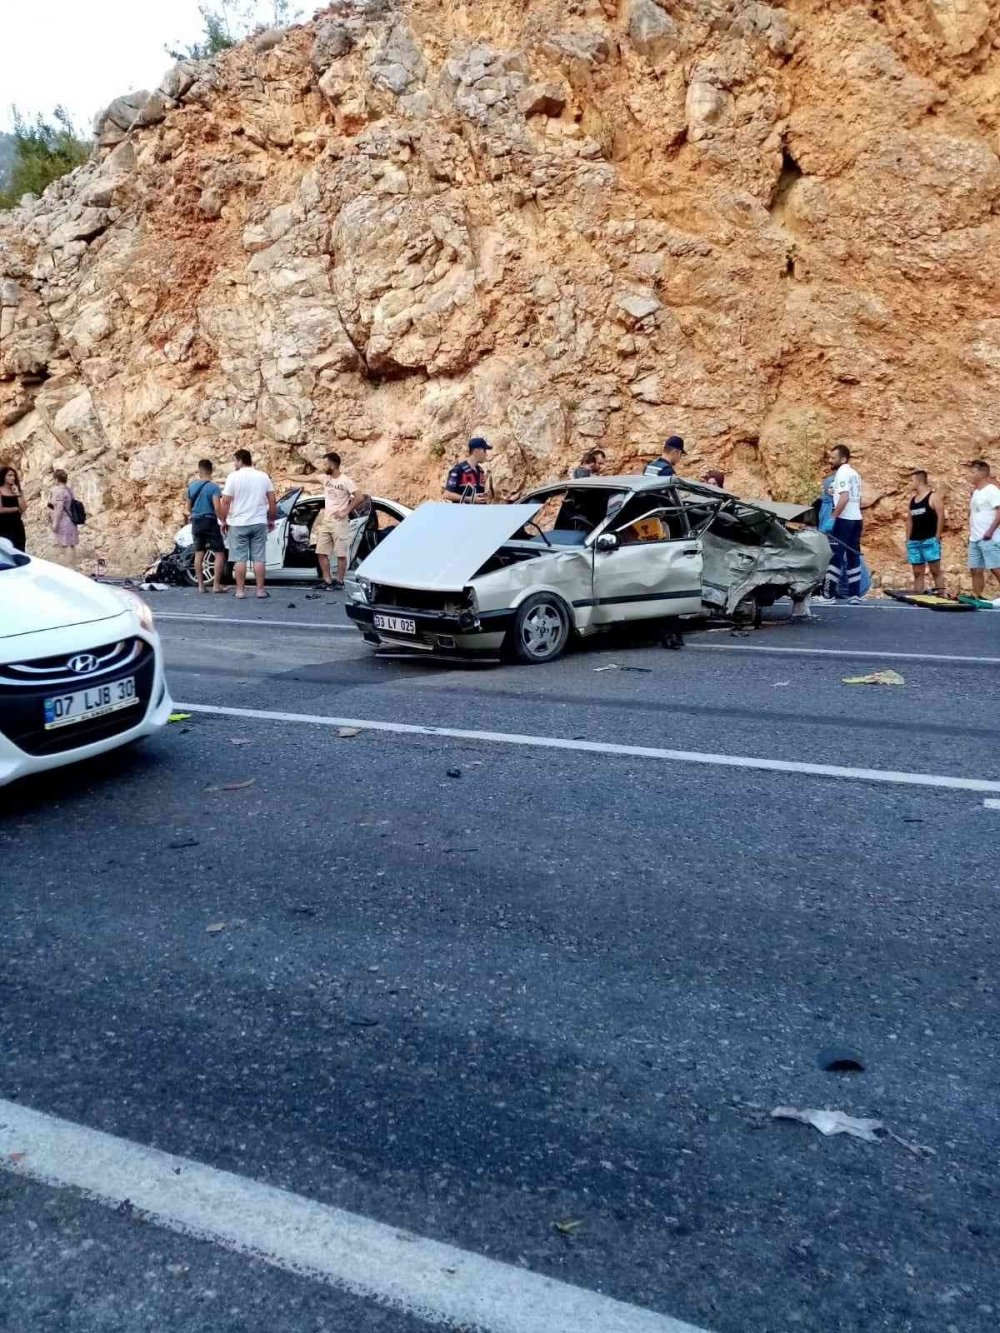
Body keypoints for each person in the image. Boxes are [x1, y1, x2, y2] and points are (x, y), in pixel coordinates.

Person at [219, 449, 276, 600]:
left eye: (234, 461)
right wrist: (271, 519)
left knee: (240, 558)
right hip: (258, 522)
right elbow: (272, 499)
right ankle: (260, 590)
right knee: (259, 558)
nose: (234, 464)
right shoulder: (263, 476)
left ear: (240, 460)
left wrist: (223, 520)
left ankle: (240, 591)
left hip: (238, 523)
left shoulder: (233, 477)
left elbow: (225, 501)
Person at [315, 451, 366, 590]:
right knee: (321, 552)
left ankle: (340, 581)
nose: (322, 466)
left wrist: (346, 511)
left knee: (341, 554)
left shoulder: (345, 481)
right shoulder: (325, 478)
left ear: (331, 465)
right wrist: (286, 476)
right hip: (327, 521)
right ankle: (327, 581)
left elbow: (359, 497)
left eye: (325, 463)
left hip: (339, 522)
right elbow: (306, 478)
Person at [821, 444, 864, 602]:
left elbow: (844, 497)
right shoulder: (855, 474)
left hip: (844, 519)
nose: (830, 461)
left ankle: (828, 595)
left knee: (834, 556)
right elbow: (859, 499)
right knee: (853, 556)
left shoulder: (842, 473)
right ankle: (855, 595)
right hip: (857, 519)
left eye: (833, 458)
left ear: (843, 458)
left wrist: (833, 517)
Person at [186, 459, 226, 593]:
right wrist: (223, 520)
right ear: (211, 470)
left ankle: (201, 586)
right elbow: (217, 507)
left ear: (199, 470)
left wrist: (195, 513)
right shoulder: (213, 487)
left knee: (199, 552)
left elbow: (188, 507)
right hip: (210, 521)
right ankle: (216, 585)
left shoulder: (191, 487)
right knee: (219, 553)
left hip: (196, 522)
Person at [906, 469, 945, 594]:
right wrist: (908, 539)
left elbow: (941, 516)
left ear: (918, 481)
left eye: (912, 480)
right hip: (915, 541)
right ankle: (918, 596)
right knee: (917, 573)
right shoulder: (913, 500)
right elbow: (909, 520)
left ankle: (942, 595)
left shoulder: (933, 497)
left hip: (929, 540)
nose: (910, 483)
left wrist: (937, 536)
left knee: (935, 571)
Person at [967, 459, 1000, 599]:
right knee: (975, 569)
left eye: (973, 472)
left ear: (981, 474)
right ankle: (977, 596)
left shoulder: (992, 490)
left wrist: (990, 531)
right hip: (974, 538)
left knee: (996, 568)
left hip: (989, 537)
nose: (970, 475)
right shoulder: (976, 492)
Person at [443, 437, 493, 503]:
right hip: (463, 512)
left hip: (478, 512)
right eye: (484, 451)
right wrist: (470, 499)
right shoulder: (458, 470)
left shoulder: (480, 471)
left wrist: (485, 495)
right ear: (476, 451)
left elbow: (477, 494)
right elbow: (447, 495)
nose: (486, 454)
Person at [49, 469, 79, 567]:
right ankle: (74, 567)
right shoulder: (69, 490)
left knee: (66, 545)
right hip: (72, 520)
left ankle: (69, 568)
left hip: (64, 521)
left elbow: (59, 509)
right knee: (71, 544)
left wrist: (55, 524)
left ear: (57, 479)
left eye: (54, 479)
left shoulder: (60, 492)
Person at [0, 464, 27, 552]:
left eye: (14, 475)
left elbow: (23, 508)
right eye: (9, 475)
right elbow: (0, 509)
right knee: (7, 553)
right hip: (3, 528)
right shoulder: (0, 490)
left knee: (20, 552)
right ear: (3, 476)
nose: (13, 478)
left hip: (17, 527)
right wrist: (15, 509)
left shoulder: (17, 490)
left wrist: (17, 493)